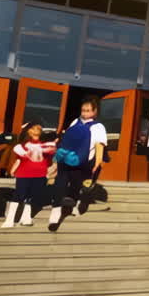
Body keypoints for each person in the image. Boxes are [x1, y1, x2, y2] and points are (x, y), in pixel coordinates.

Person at [49, 98, 107, 231]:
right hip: (66, 159)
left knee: (76, 186)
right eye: (83, 110)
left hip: (83, 161)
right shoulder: (75, 121)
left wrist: (98, 161)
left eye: (88, 110)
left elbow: (100, 145)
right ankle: (55, 214)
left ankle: (75, 205)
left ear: (94, 111)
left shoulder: (98, 127)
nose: (85, 113)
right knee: (60, 184)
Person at [2, 121, 55, 229]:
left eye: (39, 129)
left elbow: (49, 157)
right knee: (18, 195)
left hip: (40, 174)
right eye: (33, 129)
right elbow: (19, 158)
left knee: (32, 196)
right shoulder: (21, 146)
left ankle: (26, 217)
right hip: (24, 174)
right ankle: (9, 219)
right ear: (28, 131)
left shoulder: (47, 145)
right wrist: (13, 170)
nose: (36, 131)